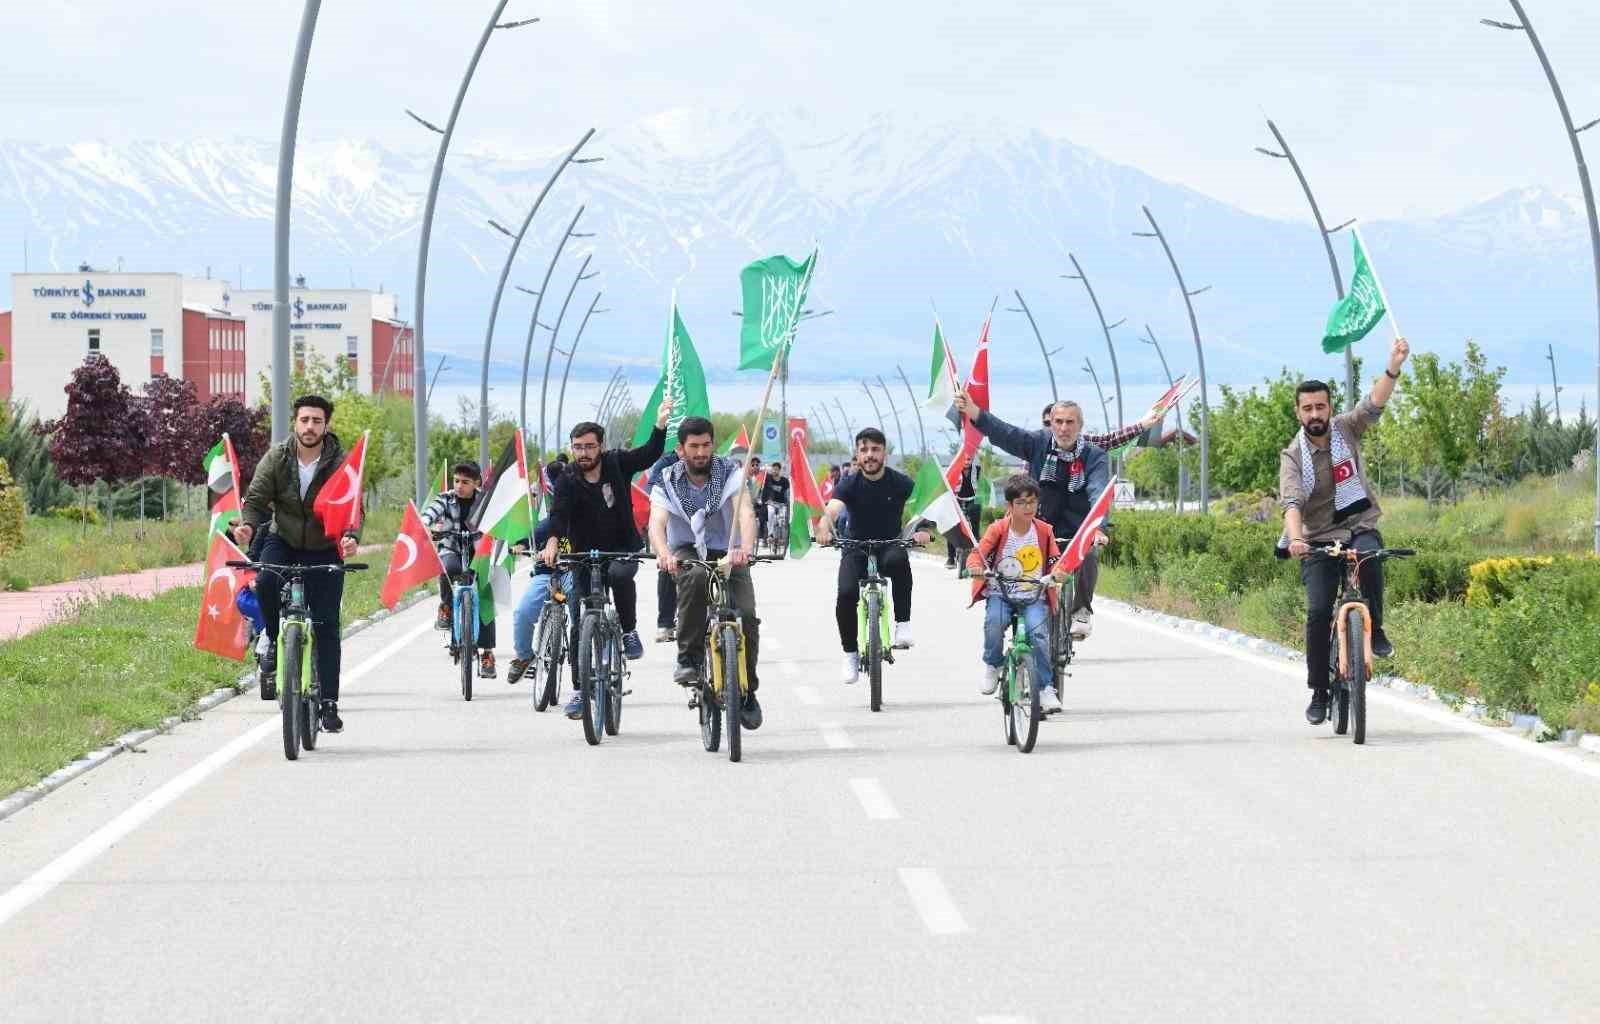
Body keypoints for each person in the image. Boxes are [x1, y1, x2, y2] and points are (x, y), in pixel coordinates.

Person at [954, 392, 1161, 640]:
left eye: (1070, 422)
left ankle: (1081, 610)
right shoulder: (1037, 444)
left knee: (1088, 555)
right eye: (1059, 422)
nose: (1064, 428)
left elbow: (1099, 493)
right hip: (1040, 528)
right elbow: (1004, 433)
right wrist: (974, 411)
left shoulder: (1094, 455)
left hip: (1078, 530)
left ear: (1080, 426)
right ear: (1051, 423)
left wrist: (1097, 528)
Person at [1281, 336, 1410, 726]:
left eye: (1321, 405)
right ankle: (1320, 691)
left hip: (1357, 527)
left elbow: (1375, 403)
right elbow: (1292, 504)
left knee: (1371, 558)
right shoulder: (1293, 455)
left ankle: (1378, 627)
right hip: (1317, 539)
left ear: (1329, 406)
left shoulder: (1346, 430)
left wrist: (1393, 365)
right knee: (1319, 611)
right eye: (1308, 408)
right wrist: (1298, 540)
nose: (1315, 413)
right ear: (1299, 412)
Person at [234, 395, 360, 733]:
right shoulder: (277, 457)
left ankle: (330, 702)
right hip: (284, 539)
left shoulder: (340, 463)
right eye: (304, 420)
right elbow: (257, 499)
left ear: (325, 425)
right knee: (266, 580)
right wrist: (247, 525)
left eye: (316, 421)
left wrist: (351, 537)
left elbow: (353, 507)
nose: (309, 427)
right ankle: (275, 642)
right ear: (295, 422)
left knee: (326, 624)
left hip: (325, 545)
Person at [542, 400, 671, 717]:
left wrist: (660, 425)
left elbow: (648, 454)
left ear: (601, 446)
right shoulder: (567, 480)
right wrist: (552, 542)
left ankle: (628, 631)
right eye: (577, 447)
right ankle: (578, 690)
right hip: (584, 555)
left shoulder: (616, 463)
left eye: (589, 446)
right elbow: (558, 516)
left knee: (619, 576)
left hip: (622, 546)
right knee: (578, 616)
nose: (583, 453)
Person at [649, 416, 764, 730]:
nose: (701, 452)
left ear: (713, 444)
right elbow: (656, 523)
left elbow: (745, 512)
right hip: (686, 549)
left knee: (748, 615)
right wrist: (664, 554)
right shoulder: (667, 479)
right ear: (681, 449)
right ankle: (688, 657)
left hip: (729, 550)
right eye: (694, 446)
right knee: (695, 579)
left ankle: (747, 690)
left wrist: (746, 550)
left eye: (706, 445)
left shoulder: (730, 473)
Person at [813, 428, 930, 683]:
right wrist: (823, 527)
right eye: (864, 450)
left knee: (899, 560)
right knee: (845, 593)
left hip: (889, 544)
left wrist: (922, 530)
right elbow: (832, 509)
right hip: (855, 546)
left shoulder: (900, 482)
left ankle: (903, 624)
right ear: (857, 454)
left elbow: (922, 507)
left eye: (875, 449)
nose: (870, 455)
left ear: (884, 453)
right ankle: (850, 653)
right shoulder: (849, 483)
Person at [967, 473, 1068, 713]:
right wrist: (975, 568)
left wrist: (1059, 573)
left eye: (1032, 502)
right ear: (1009, 506)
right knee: (995, 621)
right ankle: (993, 665)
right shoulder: (998, 529)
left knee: (1039, 636)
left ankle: (1045, 687)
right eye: (1021, 503)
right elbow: (976, 555)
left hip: (1034, 595)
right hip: (1001, 593)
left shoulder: (1044, 531)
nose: (1027, 507)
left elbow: (1056, 560)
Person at [420, 461, 497, 679]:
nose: (459, 486)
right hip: (451, 546)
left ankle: (487, 653)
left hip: (478, 550)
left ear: (476, 483)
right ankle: (446, 605)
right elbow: (431, 512)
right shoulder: (445, 498)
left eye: (465, 482)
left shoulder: (485, 501)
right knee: (449, 567)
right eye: (456, 481)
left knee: (484, 596)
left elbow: (498, 520)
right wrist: (426, 523)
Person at [506, 515, 562, 684]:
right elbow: (531, 538)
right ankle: (524, 656)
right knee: (522, 613)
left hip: (574, 574)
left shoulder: (585, 520)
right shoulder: (547, 525)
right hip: (546, 575)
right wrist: (521, 546)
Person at [649, 448, 681, 643]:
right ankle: (666, 623)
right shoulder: (665, 465)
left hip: (706, 526)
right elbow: (652, 488)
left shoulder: (716, 466)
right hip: (673, 520)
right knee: (667, 567)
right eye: (691, 445)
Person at [946, 460, 980, 569]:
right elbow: (947, 483)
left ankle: (977, 552)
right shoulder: (954, 470)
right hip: (957, 499)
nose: (966, 461)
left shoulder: (978, 470)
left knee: (975, 515)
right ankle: (951, 557)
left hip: (973, 500)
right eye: (964, 459)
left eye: (969, 459)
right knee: (952, 524)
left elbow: (984, 486)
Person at [759, 459, 792, 552]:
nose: (775, 471)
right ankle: (771, 535)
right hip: (771, 503)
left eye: (777, 469)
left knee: (782, 518)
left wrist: (788, 502)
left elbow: (787, 493)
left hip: (781, 504)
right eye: (773, 469)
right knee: (771, 513)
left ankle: (782, 537)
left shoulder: (784, 481)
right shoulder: (768, 479)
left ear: (779, 470)